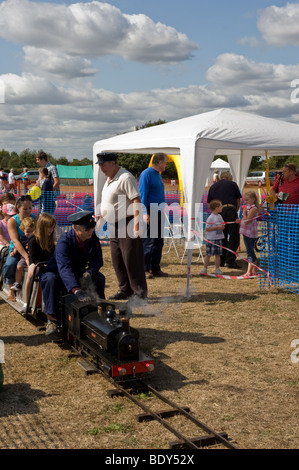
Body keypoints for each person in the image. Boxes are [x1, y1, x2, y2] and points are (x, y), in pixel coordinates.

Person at [96, 152, 147, 301]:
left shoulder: (125, 177)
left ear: (112, 163)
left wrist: (137, 224)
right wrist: (100, 220)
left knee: (132, 261)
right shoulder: (108, 179)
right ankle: (125, 290)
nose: (101, 168)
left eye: (103, 165)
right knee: (117, 260)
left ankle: (139, 294)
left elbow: (136, 200)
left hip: (128, 223)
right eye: (100, 165)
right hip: (113, 224)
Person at [55, 210, 105, 303]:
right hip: (62, 274)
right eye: (86, 229)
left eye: (92, 228)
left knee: (99, 278)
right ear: (75, 228)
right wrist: (76, 289)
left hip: (80, 272)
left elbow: (97, 260)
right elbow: (64, 267)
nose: (90, 231)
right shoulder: (64, 241)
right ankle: (52, 315)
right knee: (51, 280)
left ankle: (101, 306)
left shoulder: (93, 238)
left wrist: (90, 272)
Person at [23, 214, 57, 331]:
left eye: (52, 227)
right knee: (32, 273)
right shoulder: (33, 239)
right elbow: (33, 257)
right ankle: (26, 302)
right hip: (36, 263)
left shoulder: (51, 241)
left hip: (48, 264)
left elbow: (53, 255)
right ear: (42, 227)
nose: (51, 230)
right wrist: (42, 264)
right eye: (48, 227)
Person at [139, 152, 168, 279]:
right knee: (149, 242)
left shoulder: (158, 175)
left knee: (158, 242)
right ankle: (145, 269)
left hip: (159, 210)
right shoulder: (146, 174)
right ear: (160, 162)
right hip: (151, 210)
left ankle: (155, 268)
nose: (166, 165)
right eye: (166, 162)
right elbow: (143, 194)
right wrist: (145, 213)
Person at [3, 195, 36, 301]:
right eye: (25, 209)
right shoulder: (12, 221)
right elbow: (15, 241)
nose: (28, 211)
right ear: (18, 207)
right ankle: (10, 289)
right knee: (10, 264)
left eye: (30, 208)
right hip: (16, 249)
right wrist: (26, 257)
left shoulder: (35, 218)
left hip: (31, 248)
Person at [207, 171, 242, 269]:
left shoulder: (213, 187)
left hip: (218, 212)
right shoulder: (233, 184)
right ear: (229, 177)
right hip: (230, 210)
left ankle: (221, 260)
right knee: (234, 236)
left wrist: (215, 213)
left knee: (221, 236)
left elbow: (210, 203)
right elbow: (238, 200)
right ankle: (230, 260)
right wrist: (235, 211)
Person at [10, 217, 36, 293]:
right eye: (27, 232)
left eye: (32, 231)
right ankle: (17, 283)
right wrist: (14, 251)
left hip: (33, 258)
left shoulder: (35, 238)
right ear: (23, 230)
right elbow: (18, 246)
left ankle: (32, 283)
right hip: (24, 258)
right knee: (19, 266)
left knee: (31, 268)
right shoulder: (22, 238)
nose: (30, 234)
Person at [239, 191, 260, 278]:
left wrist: (243, 213)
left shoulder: (253, 209)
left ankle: (249, 272)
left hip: (250, 234)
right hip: (246, 232)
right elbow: (244, 221)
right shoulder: (248, 208)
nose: (246, 201)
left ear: (253, 199)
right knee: (250, 252)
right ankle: (254, 271)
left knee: (250, 253)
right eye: (245, 200)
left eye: (247, 200)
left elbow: (247, 220)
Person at [201, 200, 225, 275]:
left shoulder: (220, 216)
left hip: (219, 239)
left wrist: (221, 227)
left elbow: (223, 226)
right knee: (208, 254)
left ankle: (217, 269)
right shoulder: (210, 218)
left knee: (218, 255)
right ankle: (205, 268)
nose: (222, 207)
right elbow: (207, 229)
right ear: (216, 208)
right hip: (211, 239)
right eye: (221, 206)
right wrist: (217, 227)